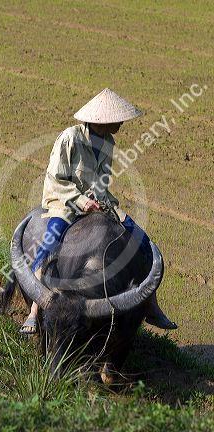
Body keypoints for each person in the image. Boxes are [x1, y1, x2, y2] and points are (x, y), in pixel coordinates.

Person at [21, 88, 177, 334]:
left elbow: (102, 182)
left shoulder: (108, 142)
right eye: (118, 120)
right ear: (102, 121)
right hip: (65, 203)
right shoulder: (70, 138)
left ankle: (151, 304)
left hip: (97, 204)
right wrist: (82, 202)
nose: (121, 123)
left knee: (142, 241)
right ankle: (34, 310)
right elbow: (56, 179)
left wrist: (101, 201)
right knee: (50, 243)